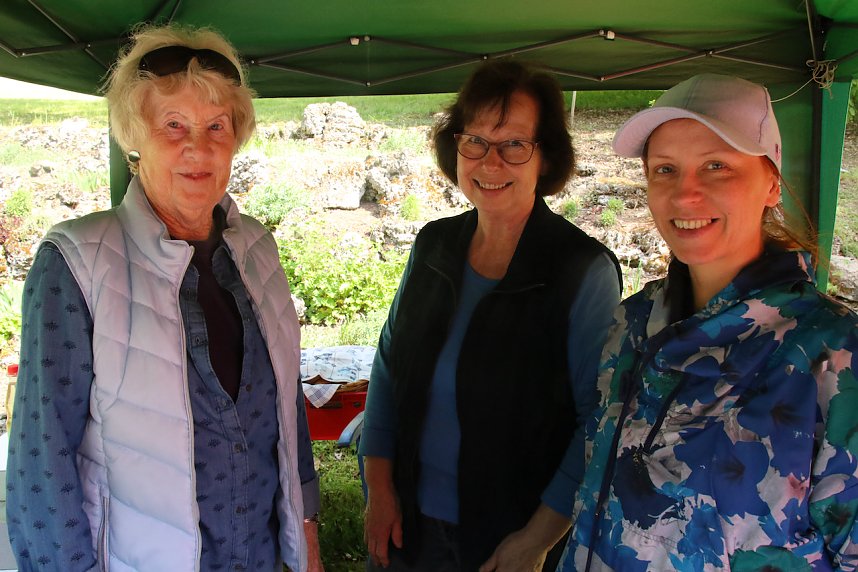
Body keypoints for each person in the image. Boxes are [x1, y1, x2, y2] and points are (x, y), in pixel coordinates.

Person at [5, 23, 325, 572]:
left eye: (216, 125)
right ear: (135, 137)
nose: (198, 146)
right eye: (173, 124)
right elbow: (42, 460)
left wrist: (308, 539)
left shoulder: (257, 249)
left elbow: (286, 412)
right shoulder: (76, 261)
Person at [558, 74, 858, 571]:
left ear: (771, 184)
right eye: (665, 169)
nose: (685, 194)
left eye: (717, 166)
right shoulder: (633, 322)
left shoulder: (832, 354)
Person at [359, 59, 622, 571]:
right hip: (406, 526)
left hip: (508, 540)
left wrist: (536, 540)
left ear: (545, 157)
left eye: (514, 144)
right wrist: (380, 487)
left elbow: (598, 421)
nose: (490, 162)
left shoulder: (581, 270)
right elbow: (389, 367)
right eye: (475, 141)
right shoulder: (433, 244)